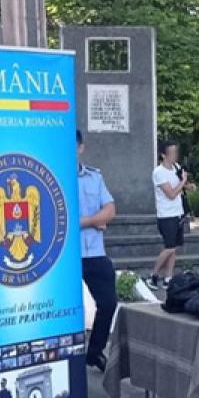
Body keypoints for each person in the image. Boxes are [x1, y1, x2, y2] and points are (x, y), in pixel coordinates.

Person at [77, 130, 117, 372]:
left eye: (73, 147)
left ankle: (94, 352)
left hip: (94, 252)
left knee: (108, 303)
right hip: (66, 256)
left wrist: (84, 221)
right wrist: (95, 220)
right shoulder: (52, 177)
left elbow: (110, 210)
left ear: (80, 147)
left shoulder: (94, 177)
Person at [149, 140, 187, 289]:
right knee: (169, 247)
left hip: (178, 213)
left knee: (174, 248)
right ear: (163, 154)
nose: (174, 155)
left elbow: (179, 187)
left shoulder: (176, 167)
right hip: (166, 215)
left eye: (176, 152)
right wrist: (183, 182)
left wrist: (187, 185)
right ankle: (153, 275)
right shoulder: (158, 172)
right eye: (171, 152)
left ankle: (168, 278)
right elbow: (170, 194)